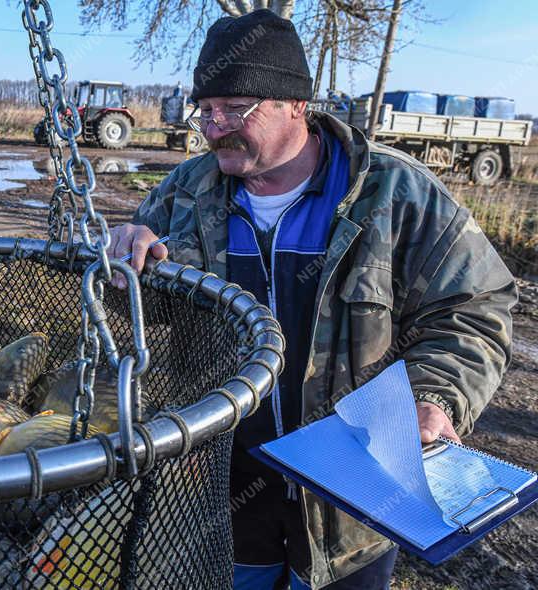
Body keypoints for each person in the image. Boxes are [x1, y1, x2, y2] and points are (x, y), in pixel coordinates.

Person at [109, 9, 516, 590]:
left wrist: (435, 397)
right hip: (222, 489)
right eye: (206, 110)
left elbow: (474, 307)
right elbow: (141, 323)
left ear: (296, 104)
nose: (214, 127)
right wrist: (131, 266)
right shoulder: (182, 194)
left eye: (234, 108)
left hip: (354, 505)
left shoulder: (393, 193)